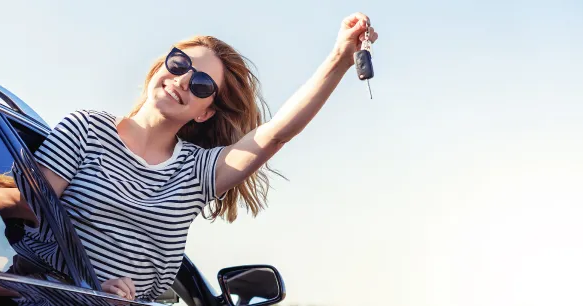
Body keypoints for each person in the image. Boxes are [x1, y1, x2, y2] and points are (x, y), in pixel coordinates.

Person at [33, 12, 378, 300]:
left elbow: (275, 134)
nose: (183, 80)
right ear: (159, 68)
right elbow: (21, 220)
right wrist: (86, 290)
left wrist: (340, 57)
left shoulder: (195, 171)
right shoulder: (86, 129)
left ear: (204, 113)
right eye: (179, 63)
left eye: (201, 85)